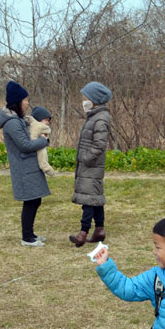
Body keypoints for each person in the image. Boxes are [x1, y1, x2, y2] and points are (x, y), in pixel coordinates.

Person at [0, 81, 51, 247]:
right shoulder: (12, 123)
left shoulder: (18, 119)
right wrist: (43, 141)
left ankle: (31, 234)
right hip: (23, 168)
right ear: (17, 101)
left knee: (35, 200)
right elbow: (25, 145)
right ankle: (27, 237)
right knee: (31, 201)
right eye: (25, 100)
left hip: (29, 167)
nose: (27, 103)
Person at [69, 81, 112, 247]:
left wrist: (86, 157)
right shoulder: (95, 116)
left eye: (86, 97)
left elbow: (100, 144)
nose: (84, 101)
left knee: (88, 199)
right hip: (90, 165)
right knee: (95, 198)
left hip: (92, 165)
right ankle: (99, 230)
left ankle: (83, 232)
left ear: (94, 99)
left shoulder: (100, 118)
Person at [28, 106, 57, 178]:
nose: (47, 123)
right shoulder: (38, 127)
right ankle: (46, 168)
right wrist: (43, 140)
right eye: (45, 120)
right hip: (36, 158)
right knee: (42, 151)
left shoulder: (33, 126)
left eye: (48, 121)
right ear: (39, 119)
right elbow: (33, 139)